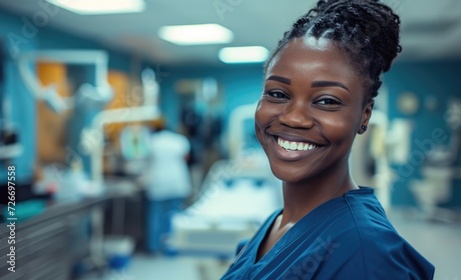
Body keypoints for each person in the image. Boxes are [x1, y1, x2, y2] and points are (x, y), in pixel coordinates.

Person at [221, 0, 435, 279]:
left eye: (326, 101)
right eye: (277, 94)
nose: (293, 118)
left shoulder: (363, 253)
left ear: (364, 116)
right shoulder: (276, 224)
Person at [144, 118, 192, 254]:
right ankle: (171, 247)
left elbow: (143, 159)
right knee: (174, 216)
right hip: (177, 183)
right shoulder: (179, 140)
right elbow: (186, 158)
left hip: (158, 183)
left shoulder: (150, 141)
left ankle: (154, 248)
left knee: (155, 217)